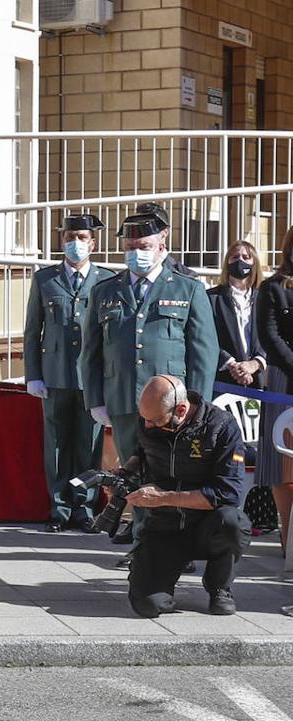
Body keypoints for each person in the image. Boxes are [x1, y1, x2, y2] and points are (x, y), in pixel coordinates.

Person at [81, 209, 219, 559]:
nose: (135, 251)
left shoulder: (187, 289)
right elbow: (91, 351)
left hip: (174, 406)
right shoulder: (105, 291)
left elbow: (204, 350)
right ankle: (144, 544)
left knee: (174, 475)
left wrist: (197, 403)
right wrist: (95, 399)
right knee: (133, 473)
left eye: (142, 244)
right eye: (130, 245)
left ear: (162, 244)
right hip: (125, 399)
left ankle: (179, 548)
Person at [125, 375, 248, 617]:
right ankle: (163, 584)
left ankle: (219, 587)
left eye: (155, 421)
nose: (148, 426)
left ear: (181, 409)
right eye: (145, 420)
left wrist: (164, 498)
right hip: (164, 527)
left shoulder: (221, 426)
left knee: (233, 522)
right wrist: (123, 474)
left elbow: (227, 493)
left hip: (207, 526)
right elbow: (141, 451)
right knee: (148, 606)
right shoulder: (150, 420)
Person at [24, 213, 116, 532]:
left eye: (81, 238)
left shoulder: (106, 281)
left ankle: (84, 506)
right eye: (68, 237)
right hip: (55, 375)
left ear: (93, 243)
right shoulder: (44, 280)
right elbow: (32, 331)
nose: (74, 243)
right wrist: (33, 375)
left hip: (90, 379)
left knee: (87, 445)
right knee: (57, 444)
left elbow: (110, 335)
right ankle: (59, 508)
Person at [255, 226, 293, 550]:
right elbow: (269, 337)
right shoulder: (273, 288)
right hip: (284, 376)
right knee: (283, 463)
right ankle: (286, 539)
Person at [210, 239, 266, 389]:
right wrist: (233, 365)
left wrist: (255, 363)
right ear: (227, 263)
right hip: (223, 379)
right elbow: (207, 338)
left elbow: (271, 335)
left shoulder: (265, 298)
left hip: (259, 379)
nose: (240, 260)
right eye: (235, 257)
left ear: (254, 264)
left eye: (246, 257)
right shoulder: (211, 298)